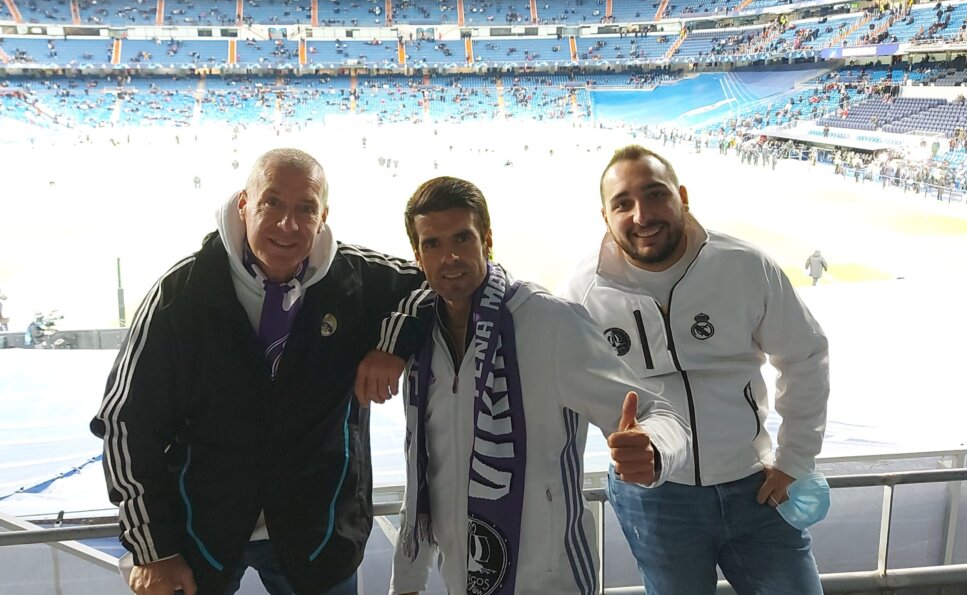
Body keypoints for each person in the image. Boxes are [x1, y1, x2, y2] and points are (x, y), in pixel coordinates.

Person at [90, 148, 423, 595]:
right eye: (272, 203)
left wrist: (392, 344)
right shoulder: (181, 292)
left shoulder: (356, 279)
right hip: (197, 537)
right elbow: (126, 422)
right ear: (244, 203)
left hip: (318, 538)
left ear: (323, 216)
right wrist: (154, 549)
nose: (288, 225)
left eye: (305, 209)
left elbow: (433, 284)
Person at [385, 177, 690, 595]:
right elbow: (423, 470)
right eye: (433, 244)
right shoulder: (419, 342)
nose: (450, 257)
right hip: (463, 580)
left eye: (462, 237)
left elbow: (660, 414)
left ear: (487, 240)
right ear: (418, 256)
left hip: (552, 580)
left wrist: (653, 448)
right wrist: (407, 582)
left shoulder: (550, 323)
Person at [564, 145, 830, 595]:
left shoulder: (743, 266)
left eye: (655, 194)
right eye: (622, 203)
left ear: (682, 196)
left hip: (756, 485)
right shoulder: (584, 291)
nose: (642, 214)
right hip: (654, 499)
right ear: (605, 217)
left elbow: (805, 356)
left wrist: (795, 460)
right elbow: (562, 389)